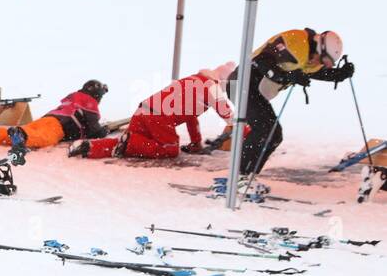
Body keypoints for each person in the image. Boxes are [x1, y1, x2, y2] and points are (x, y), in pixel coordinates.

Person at [228, 29, 353, 176]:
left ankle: (246, 176)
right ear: (320, 48)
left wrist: (338, 74)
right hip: (240, 84)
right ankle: (238, 177)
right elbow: (260, 61)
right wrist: (285, 76)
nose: (321, 64)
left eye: (326, 64)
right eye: (323, 60)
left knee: (273, 135)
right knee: (264, 129)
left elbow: (314, 72)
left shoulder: (312, 56)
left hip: (254, 90)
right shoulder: (296, 42)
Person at [70, 65, 234, 159]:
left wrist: (196, 144)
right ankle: (131, 142)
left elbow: (191, 118)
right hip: (159, 117)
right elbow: (231, 117)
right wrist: (244, 128)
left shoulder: (193, 81)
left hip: (144, 110)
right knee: (169, 150)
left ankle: (88, 147)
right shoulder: (211, 87)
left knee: (123, 145)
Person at [0, 80, 107, 150]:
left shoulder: (73, 98)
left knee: (7, 135)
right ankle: (22, 135)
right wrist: (105, 131)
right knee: (44, 139)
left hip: (47, 119)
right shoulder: (89, 102)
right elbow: (95, 131)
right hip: (58, 126)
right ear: (96, 95)